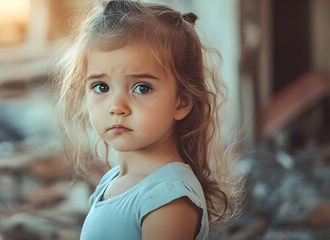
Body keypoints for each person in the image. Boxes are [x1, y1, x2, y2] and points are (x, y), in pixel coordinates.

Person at [54, 1, 243, 239]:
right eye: (101, 87)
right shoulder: (113, 180)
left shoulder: (167, 198)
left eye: (142, 88)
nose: (117, 107)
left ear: (181, 102)